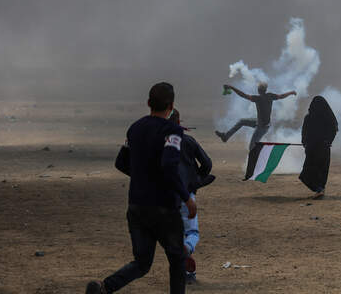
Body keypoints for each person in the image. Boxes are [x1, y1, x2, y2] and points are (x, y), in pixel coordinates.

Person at [86, 83, 196, 294]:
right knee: (177, 260)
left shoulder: (135, 128)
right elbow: (169, 165)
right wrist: (186, 197)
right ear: (171, 106)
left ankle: (104, 287)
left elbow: (120, 162)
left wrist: (142, 177)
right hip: (164, 207)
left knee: (142, 262)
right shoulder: (172, 130)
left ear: (148, 103)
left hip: (136, 205)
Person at [168, 109, 216, 284]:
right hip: (186, 194)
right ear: (179, 120)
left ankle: (184, 272)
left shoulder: (158, 143)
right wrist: (195, 180)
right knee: (191, 232)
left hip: (164, 196)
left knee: (174, 234)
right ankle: (187, 252)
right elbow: (207, 163)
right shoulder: (188, 140)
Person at [215, 82, 297, 150]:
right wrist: (291, 92)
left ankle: (254, 166)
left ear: (259, 90)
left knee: (252, 148)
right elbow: (281, 96)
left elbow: (243, 95)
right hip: (260, 123)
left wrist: (232, 87)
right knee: (242, 121)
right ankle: (226, 136)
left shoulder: (258, 98)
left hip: (262, 127)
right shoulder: (270, 96)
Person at [299, 96, 338, 199]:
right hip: (323, 149)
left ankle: (319, 189)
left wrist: (305, 143)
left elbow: (304, 133)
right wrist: (328, 141)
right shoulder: (329, 117)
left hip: (313, 149)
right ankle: (320, 189)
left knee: (307, 172)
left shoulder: (309, 117)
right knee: (322, 170)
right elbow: (334, 129)